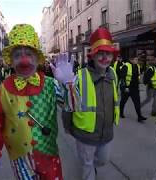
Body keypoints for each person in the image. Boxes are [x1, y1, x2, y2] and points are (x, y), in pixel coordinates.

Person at [0, 24, 63, 179]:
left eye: (29, 54)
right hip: (20, 158)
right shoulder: (3, 89)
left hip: (48, 152)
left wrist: (68, 84)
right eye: (17, 56)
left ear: (37, 57)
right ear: (11, 61)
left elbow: (71, 107)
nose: (24, 61)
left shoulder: (50, 84)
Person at [56, 27, 120, 180]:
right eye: (100, 53)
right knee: (87, 166)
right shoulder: (79, 76)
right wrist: (67, 126)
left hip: (106, 132)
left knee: (103, 160)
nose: (104, 57)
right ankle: (89, 169)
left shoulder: (113, 74)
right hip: (85, 134)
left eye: (108, 53)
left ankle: (91, 166)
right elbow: (67, 104)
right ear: (93, 56)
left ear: (112, 56)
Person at [120, 57, 147, 122]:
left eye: (137, 59)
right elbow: (122, 77)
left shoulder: (137, 66)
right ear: (131, 60)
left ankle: (139, 116)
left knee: (137, 102)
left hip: (135, 88)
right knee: (123, 101)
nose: (137, 61)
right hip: (127, 87)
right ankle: (121, 113)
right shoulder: (126, 66)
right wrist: (125, 87)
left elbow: (140, 72)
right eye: (135, 59)